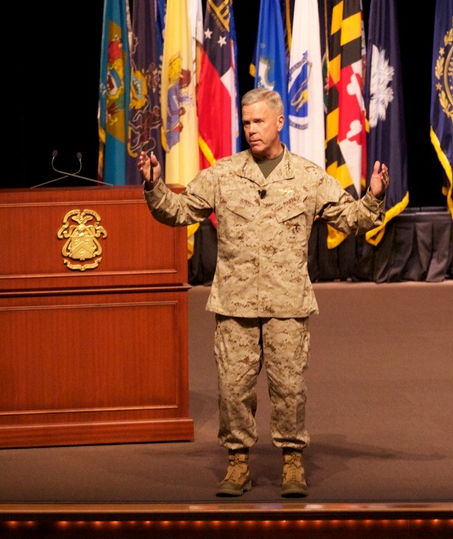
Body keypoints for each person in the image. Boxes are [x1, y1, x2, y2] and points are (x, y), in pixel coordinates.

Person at [140, 89, 388, 499]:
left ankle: (292, 460)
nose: (251, 130)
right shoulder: (223, 173)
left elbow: (351, 219)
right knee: (233, 388)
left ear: (278, 123)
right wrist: (153, 186)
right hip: (235, 302)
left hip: (286, 303)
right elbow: (181, 212)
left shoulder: (307, 177)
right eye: (246, 122)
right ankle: (237, 463)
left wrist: (374, 197)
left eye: (258, 122)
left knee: (289, 388)